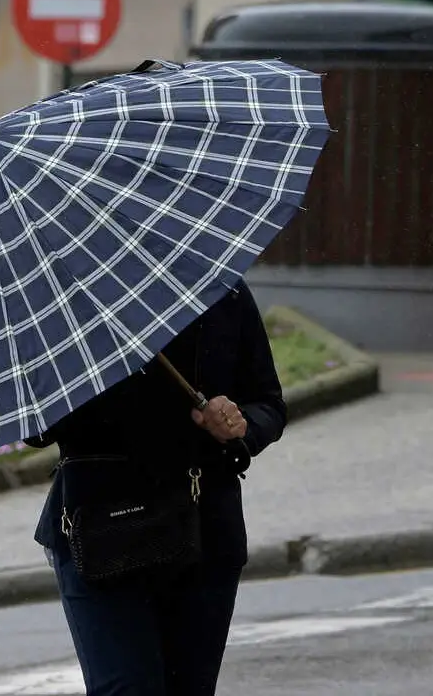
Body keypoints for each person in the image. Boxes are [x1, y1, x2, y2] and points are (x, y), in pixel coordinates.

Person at [24, 281, 286, 696]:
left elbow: (267, 402)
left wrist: (240, 424)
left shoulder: (217, 286)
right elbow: (36, 427)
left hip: (204, 528)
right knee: (128, 688)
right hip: (100, 532)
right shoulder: (57, 299)